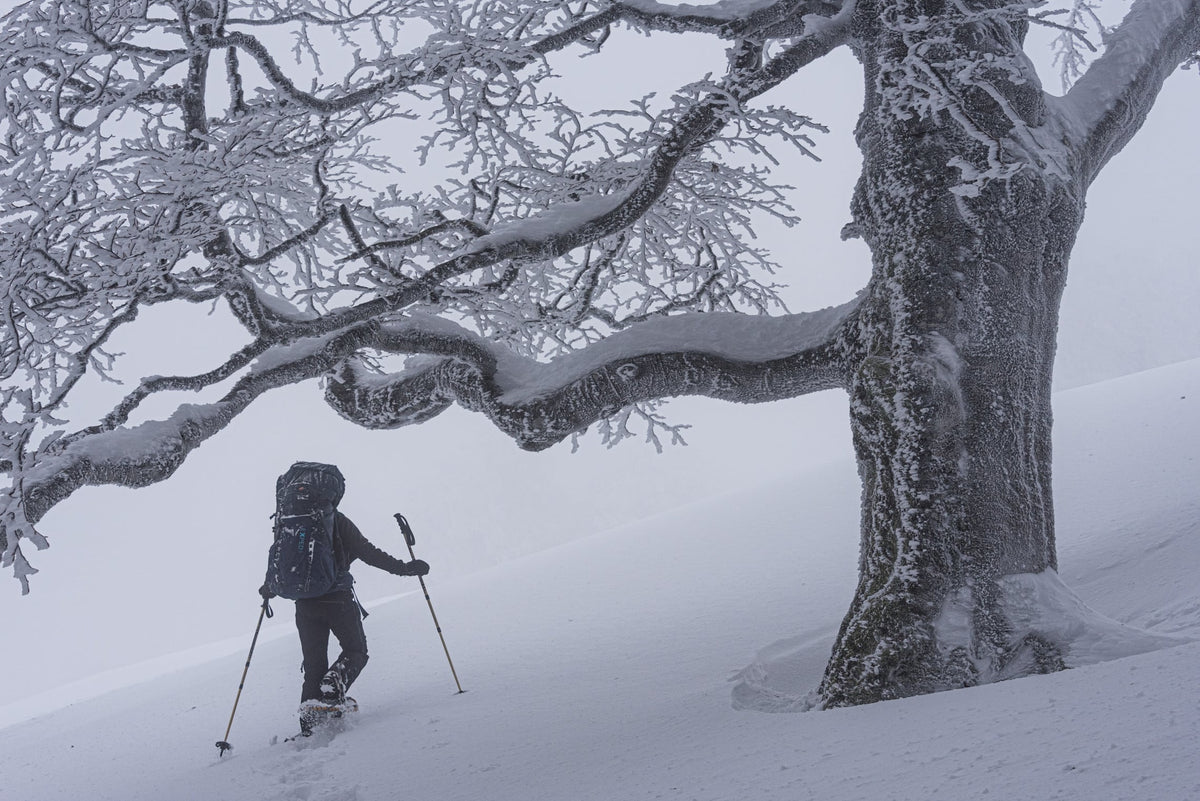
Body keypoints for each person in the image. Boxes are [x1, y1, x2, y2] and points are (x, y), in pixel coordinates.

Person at [260, 509, 429, 733]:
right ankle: (334, 681)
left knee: (313, 666)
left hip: (304, 605)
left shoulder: (290, 522)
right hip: (337, 599)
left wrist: (269, 587)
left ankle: (309, 727)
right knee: (356, 650)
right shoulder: (335, 520)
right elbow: (369, 553)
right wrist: (405, 569)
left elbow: (280, 560)